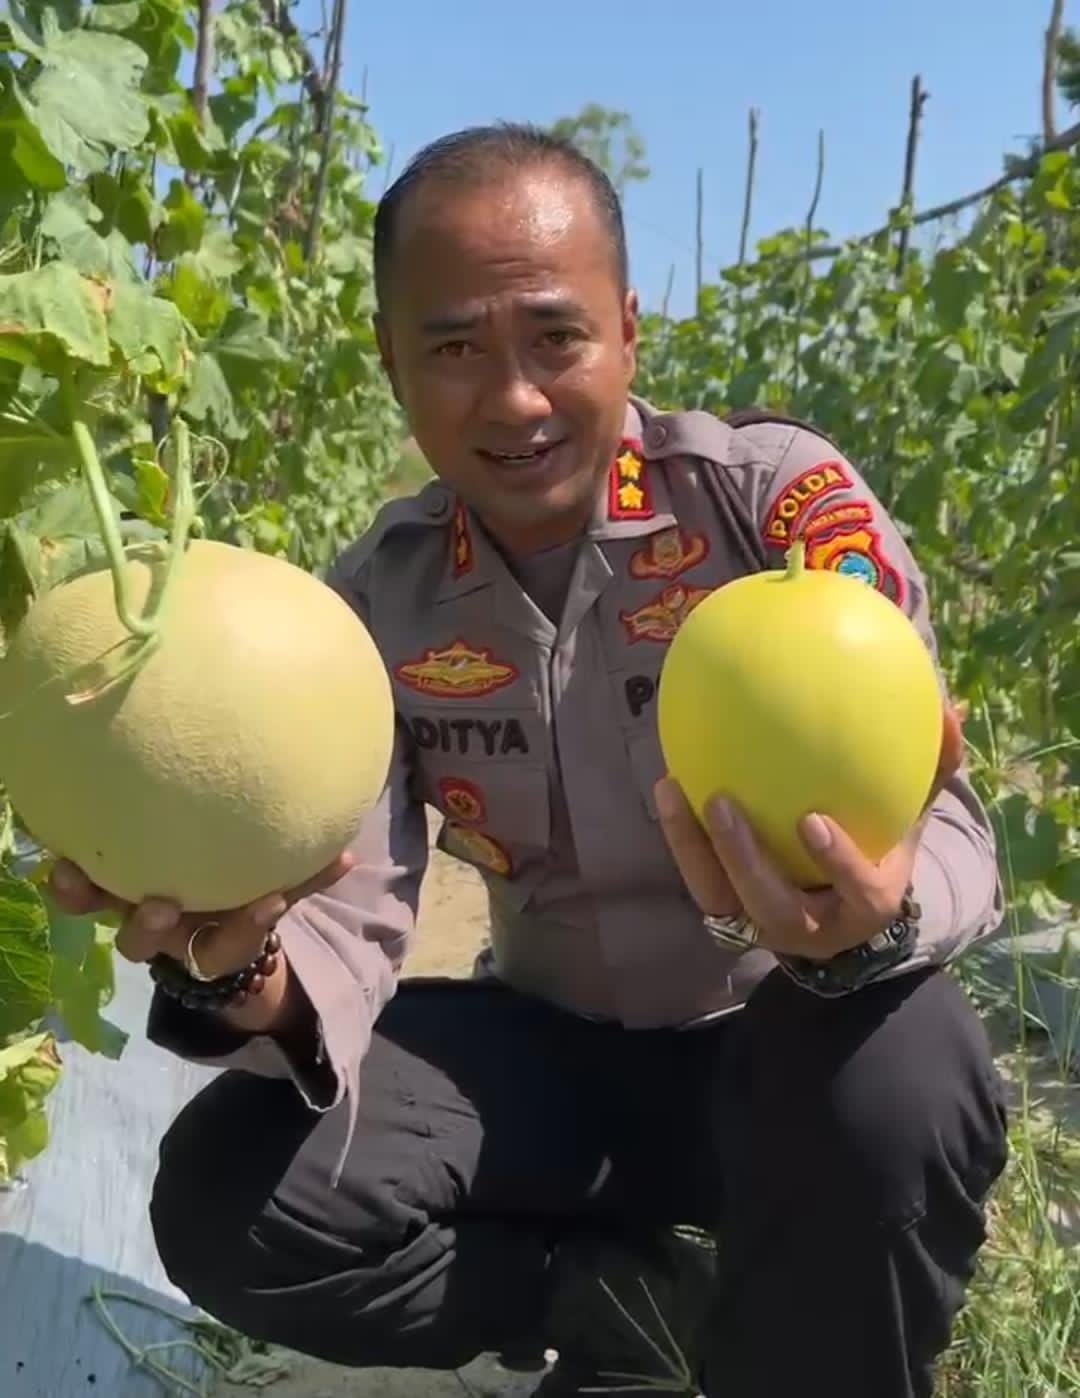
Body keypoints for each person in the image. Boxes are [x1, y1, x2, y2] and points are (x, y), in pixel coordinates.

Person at [50, 124, 1010, 1398]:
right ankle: (628, 1307)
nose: (513, 400)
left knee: (905, 1073)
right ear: (391, 360)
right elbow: (344, 909)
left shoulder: (775, 511)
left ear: (628, 331)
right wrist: (240, 967)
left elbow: (944, 825)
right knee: (234, 1198)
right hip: (548, 1063)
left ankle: (805, 1362)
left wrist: (872, 931)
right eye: (455, 348)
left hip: (781, 1037)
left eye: (556, 337)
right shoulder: (372, 610)